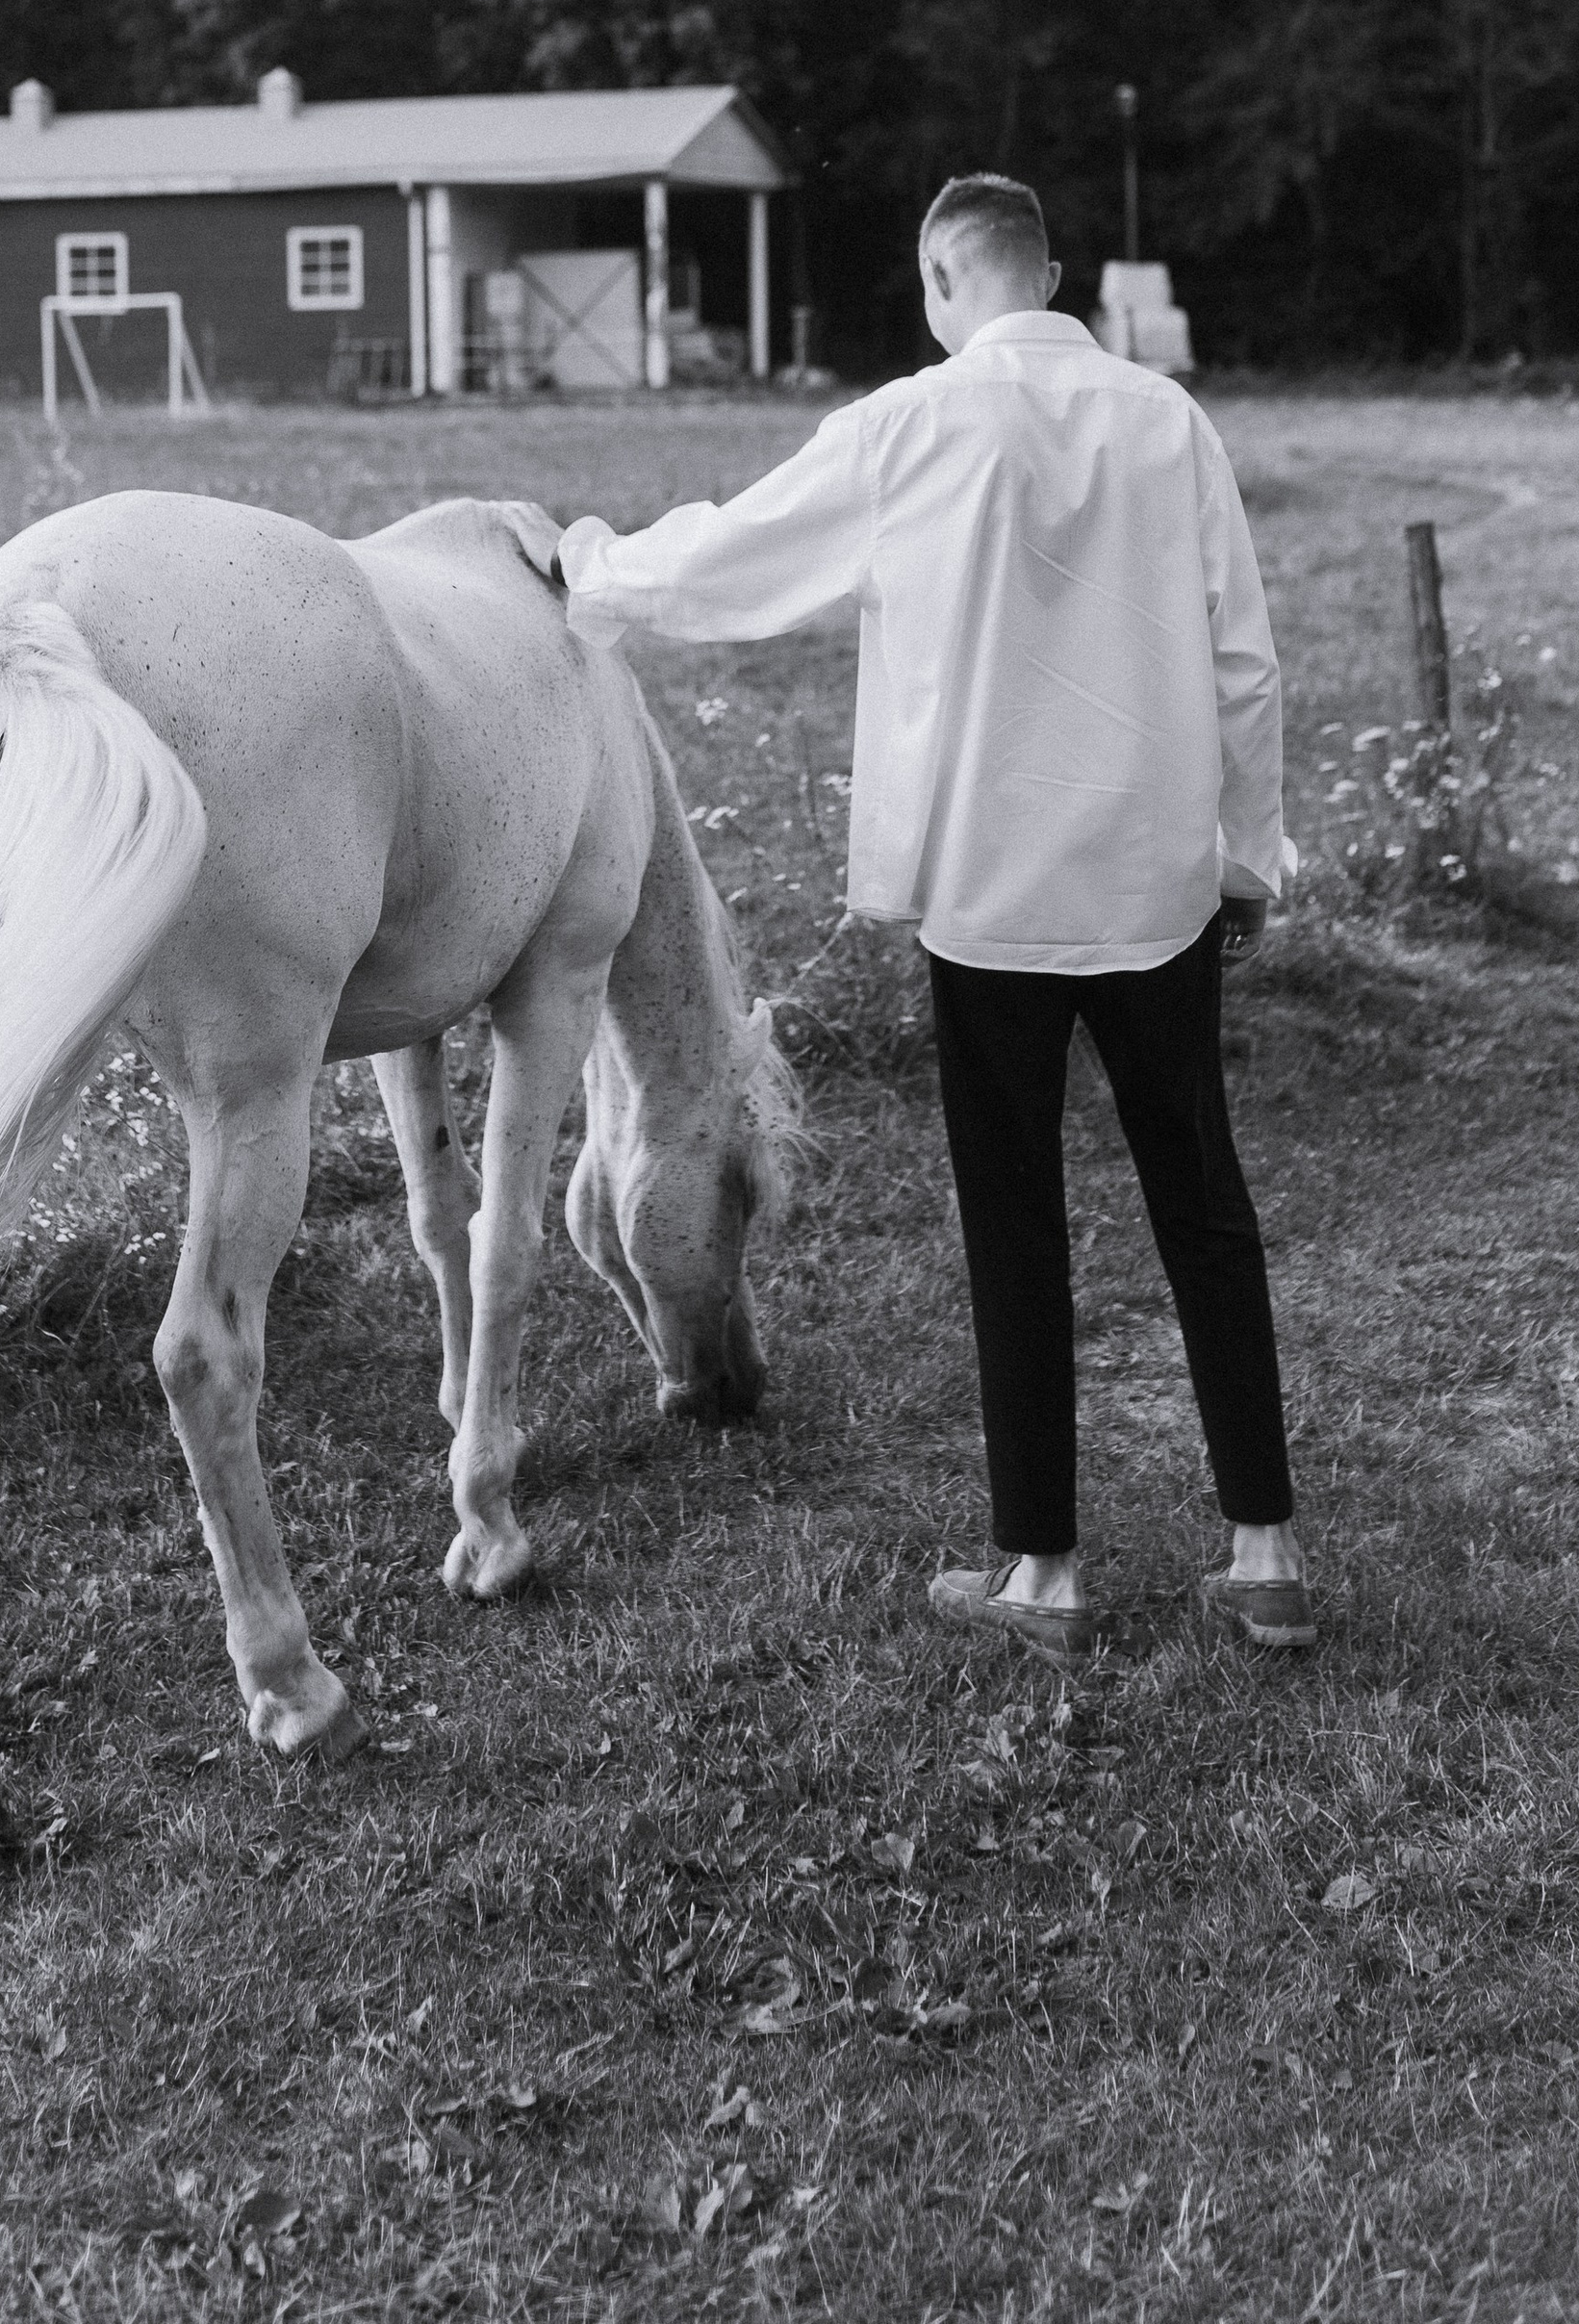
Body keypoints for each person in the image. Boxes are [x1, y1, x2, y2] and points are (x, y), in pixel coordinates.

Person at [555, 173, 1309, 1665]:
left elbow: (733, 560)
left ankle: (1044, 1574)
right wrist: (1250, 860)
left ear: (941, 281)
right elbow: (1245, 665)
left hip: (990, 900)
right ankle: (1268, 1556)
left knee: (1016, 1218)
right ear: (1052, 272)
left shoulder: (912, 422)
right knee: (1203, 1206)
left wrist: (592, 566)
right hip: (1157, 884)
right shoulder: (1170, 422)